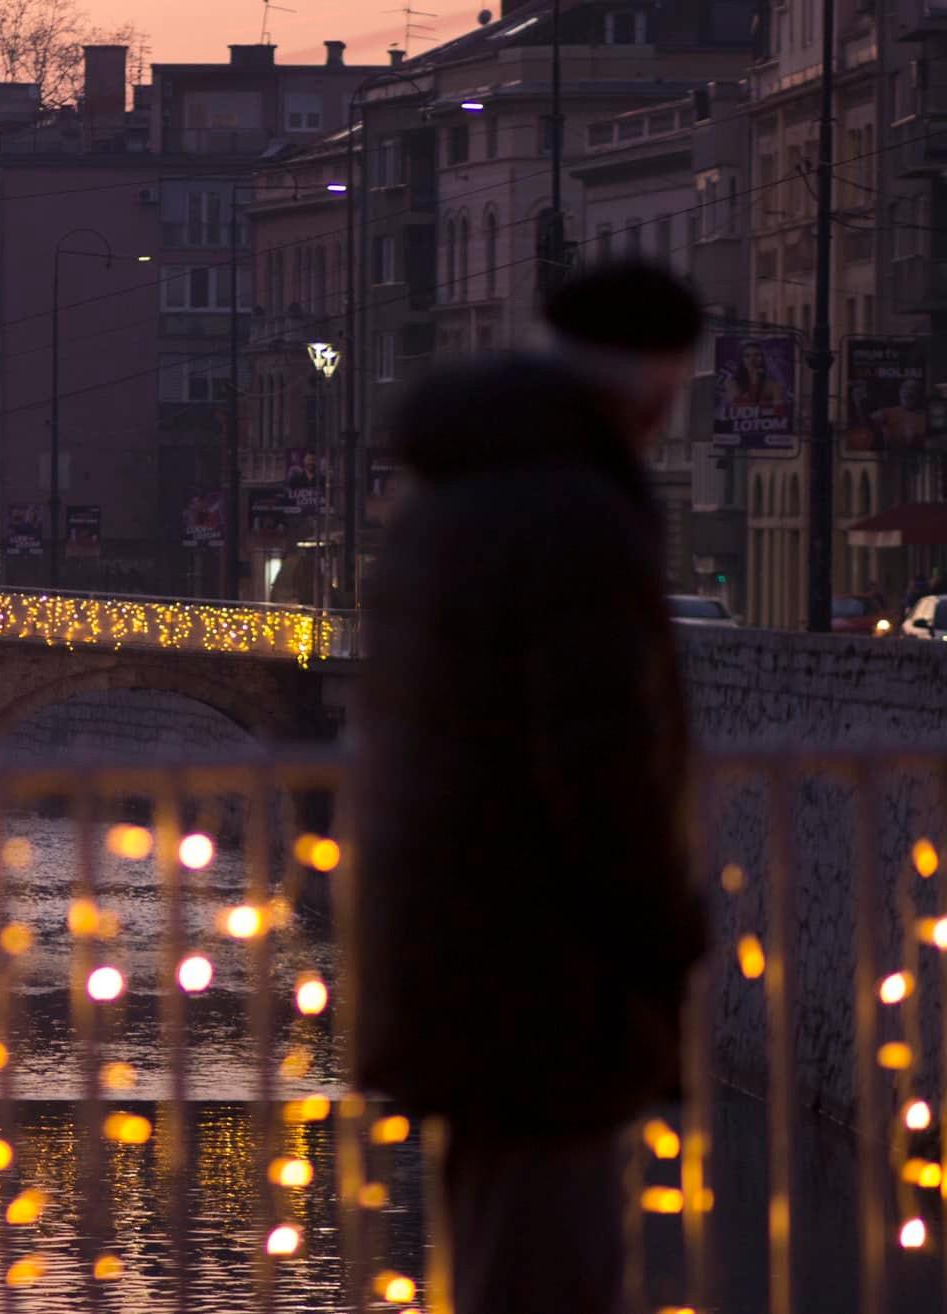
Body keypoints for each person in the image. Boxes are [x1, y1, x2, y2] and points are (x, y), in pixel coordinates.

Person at [352, 263, 708, 1314]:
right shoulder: (572, 517)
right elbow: (598, 767)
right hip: (538, 963)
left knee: (497, 1253)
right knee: (552, 1267)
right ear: (649, 384)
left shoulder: (444, 496)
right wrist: (666, 927)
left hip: (443, 944)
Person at [722, 337, 784, 406]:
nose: (752, 360)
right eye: (747, 356)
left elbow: (779, 412)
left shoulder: (773, 386)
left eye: (757, 355)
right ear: (741, 359)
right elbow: (731, 406)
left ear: (763, 358)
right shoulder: (731, 384)